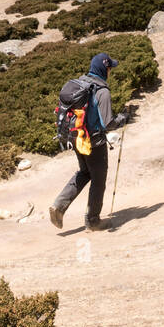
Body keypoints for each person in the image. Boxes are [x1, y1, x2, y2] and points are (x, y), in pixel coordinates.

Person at [49, 52, 128, 232]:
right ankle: (93, 221)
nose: (110, 72)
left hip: (76, 137)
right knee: (98, 179)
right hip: (94, 142)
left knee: (85, 172)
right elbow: (108, 123)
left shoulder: (80, 84)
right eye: (110, 68)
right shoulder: (102, 92)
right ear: (104, 69)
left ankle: (59, 206)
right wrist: (123, 118)